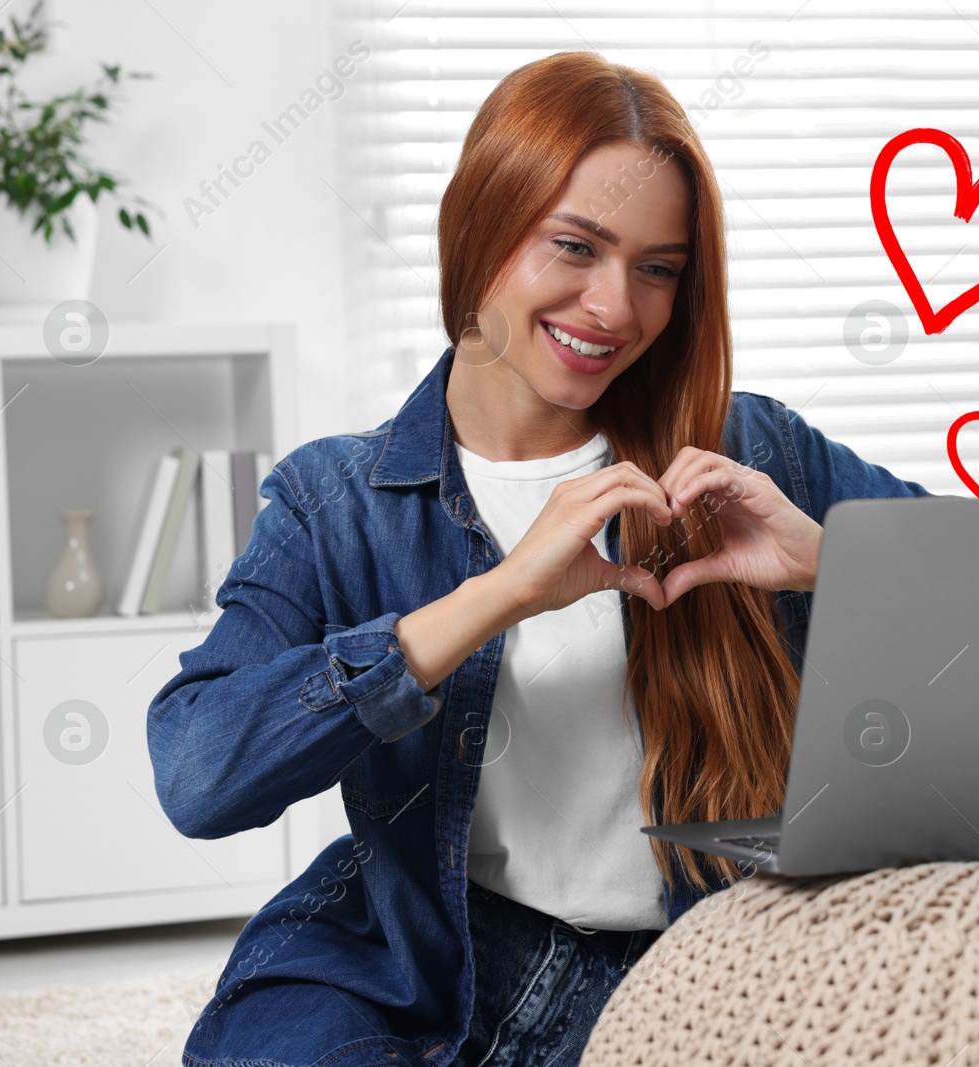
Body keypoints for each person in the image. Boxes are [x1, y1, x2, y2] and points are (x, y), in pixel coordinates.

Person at [149, 50, 929, 1067]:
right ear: (480, 227)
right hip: (411, 955)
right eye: (575, 246)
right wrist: (499, 592)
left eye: (658, 268)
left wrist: (831, 563)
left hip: (683, 974)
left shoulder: (755, 452)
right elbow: (200, 773)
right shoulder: (333, 500)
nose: (614, 307)